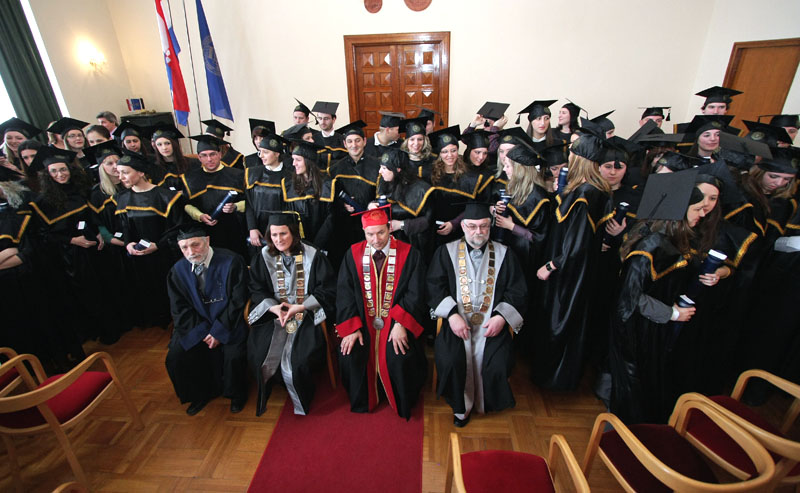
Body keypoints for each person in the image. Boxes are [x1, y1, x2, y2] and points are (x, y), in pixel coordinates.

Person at [609, 170, 705, 424]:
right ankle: (632, 436)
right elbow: (630, 298)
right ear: (679, 213)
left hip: (655, 326)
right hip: (639, 328)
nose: (702, 214)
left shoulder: (671, 240)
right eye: (697, 209)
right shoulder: (649, 249)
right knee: (637, 381)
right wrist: (672, 313)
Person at [427, 202, 526, 427]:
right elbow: (434, 287)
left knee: (498, 363)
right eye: (472, 226)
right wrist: (451, 315)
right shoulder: (446, 252)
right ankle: (460, 407)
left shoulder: (506, 254)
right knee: (451, 361)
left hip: (491, 324)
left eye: (483, 226)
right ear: (462, 226)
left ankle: (488, 402)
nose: (478, 232)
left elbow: (517, 291)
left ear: (490, 226)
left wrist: (501, 317)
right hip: (457, 324)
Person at [532, 119, 612, 390]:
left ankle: (554, 380)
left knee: (560, 321)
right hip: (584, 268)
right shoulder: (597, 189)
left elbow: (576, 245)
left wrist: (552, 266)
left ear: (579, 158)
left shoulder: (585, 194)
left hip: (569, 272)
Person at [336, 207, 428, 419]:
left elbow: (416, 293)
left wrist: (401, 324)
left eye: (380, 233)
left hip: (396, 323)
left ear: (389, 228)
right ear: (363, 232)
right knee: (351, 355)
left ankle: (401, 398)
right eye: (370, 234)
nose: (376, 239)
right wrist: (352, 328)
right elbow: (344, 294)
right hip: (363, 323)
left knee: (400, 355)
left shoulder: (409, 254)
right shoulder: (352, 254)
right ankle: (363, 399)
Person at [247, 213, 337, 416]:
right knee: (259, 354)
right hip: (275, 314)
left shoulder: (313, 255)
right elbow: (255, 287)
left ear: (294, 233)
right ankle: (276, 385)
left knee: (298, 360)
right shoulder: (263, 257)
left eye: (283, 234)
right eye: (274, 234)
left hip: (305, 313)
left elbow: (328, 289)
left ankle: (301, 392)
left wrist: (302, 306)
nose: (279, 239)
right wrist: (272, 306)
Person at [165, 224, 248, 415]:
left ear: (207, 241)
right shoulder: (177, 271)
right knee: (176, 356)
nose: (191, 252)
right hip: (196, 325)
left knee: (234, 355)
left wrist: (218, 331)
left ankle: (236, 394)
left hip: (228, 321)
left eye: (195, 245)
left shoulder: (231, 261)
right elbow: (179, 309)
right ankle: (199, 394)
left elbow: (238, 301)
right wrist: (203, 332)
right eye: (184, 248)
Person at [115, 152, 187, 329]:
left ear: (140, 172)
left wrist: (159, 245)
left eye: (125, 172)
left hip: (164, 255)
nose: (121, 177)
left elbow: (177, 227)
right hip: (139, 256)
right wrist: (128, 244)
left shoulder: (165, 197)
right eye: (119, 172)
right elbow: (125, 227)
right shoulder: (123, 198)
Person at [183, 134, 247, 258]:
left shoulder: (237, 175)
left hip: (233, 228)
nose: (209, 159)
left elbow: (250, 201)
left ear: (220, 154)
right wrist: (199, 216)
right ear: (199, 158)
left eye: (212, 154)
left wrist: (235, 206)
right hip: (204, 230)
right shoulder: (190, 178)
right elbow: (186, 204)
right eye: (204, 156)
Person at [328, 120, 380, 268]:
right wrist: (342, 204)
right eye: (349, 141)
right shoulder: (335, 169)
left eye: (357, 140)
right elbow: (330, 197)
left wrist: (373, 203)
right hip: (344, 223)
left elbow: (383, 192)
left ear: (364, 141)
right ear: (344, 144)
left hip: (370, 224)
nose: (354, 145)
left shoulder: (377, 165)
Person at [429, 125, 485, 246]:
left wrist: (454, 223)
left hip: (460, 229)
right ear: (439, 153)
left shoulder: (469, 176)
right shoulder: (431, 174)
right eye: (444, 151)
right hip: (434, 229)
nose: (450, 155)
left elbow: (472, 207)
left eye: (453, 150)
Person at [372, 147, 433, 254]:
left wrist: (401, 225)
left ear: (398, 169)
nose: (380, 171)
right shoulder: (384, 182)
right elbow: (378, 201)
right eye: (380, 167)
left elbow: (428, 221)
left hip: (414, 244)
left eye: (385, 168)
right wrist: (372, 206)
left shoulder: (421, 189)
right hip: (388, 242)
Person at [282, 140, 334, 249]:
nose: (293, 164)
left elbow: (331, 218)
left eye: (298, 160)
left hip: (324, 244)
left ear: (309, 161)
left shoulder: (328, 184)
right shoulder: (289, 185)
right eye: (293, 159)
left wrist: (317, 245)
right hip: (298, 243)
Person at [245, 133, 289, 252]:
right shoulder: (252, 174)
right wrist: (252, 228)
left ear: (277, 154)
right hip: (258, 231)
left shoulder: (290, 176)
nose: (261, 156)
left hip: (282, 231)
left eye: (266, 152)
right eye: (260, 152)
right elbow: (249, 204)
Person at [151, 125, 199, 190]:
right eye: (159, 144)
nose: (164, 148)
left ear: (174, 144)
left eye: (167, 143)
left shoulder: (192, 163)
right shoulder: (155, 169)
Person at [400, 117, 434, 182]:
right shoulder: (400, 160)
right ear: (407, 141)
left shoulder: (433, 161)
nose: (416, 143)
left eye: (420, 139)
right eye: (412, 139)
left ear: (424, 141)